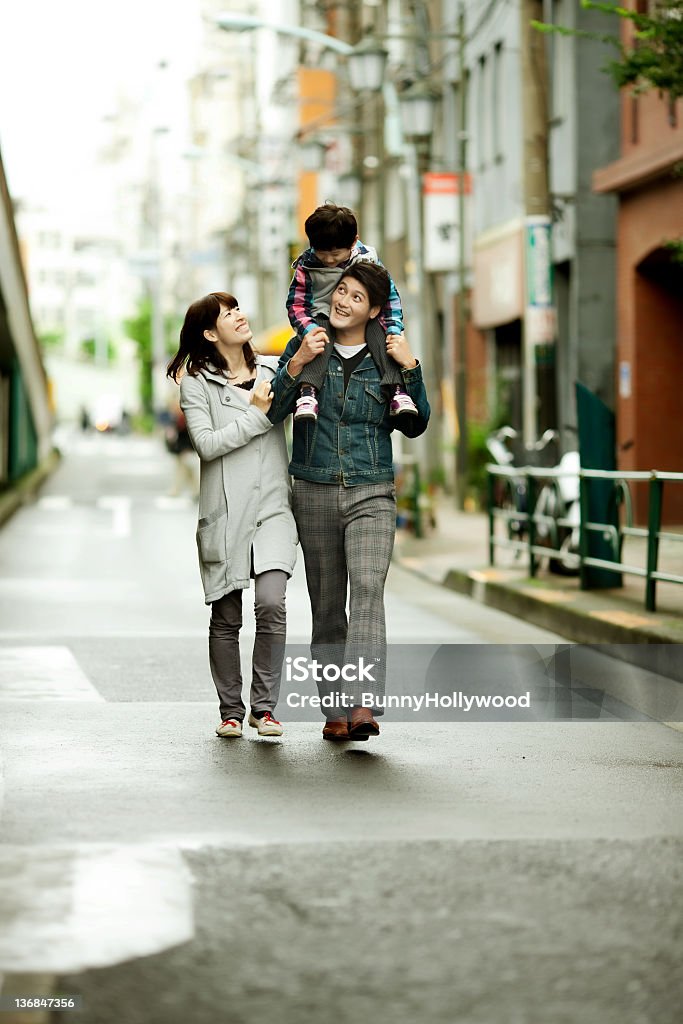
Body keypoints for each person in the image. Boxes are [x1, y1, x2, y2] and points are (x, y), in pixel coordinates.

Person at [269, 262, 430, 741]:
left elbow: (415, 423)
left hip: (371, 490)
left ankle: (362, 703)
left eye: (356, 297)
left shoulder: (386, 357)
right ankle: (334, 710)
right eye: (341, 291)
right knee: (327, 608)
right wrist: (294, 366)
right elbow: (274, 413)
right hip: (314, 488)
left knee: (366, 588)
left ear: (375, 310)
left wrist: (412, 368)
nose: (343, 301)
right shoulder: (304, 349)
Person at [167, 292, 298, 740]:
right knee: (226, 617)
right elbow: (206, 444)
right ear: (210, 332)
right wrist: (257, 414)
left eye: (239, 308)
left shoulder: (273, 370)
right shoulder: (196, 384)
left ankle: (265, 709)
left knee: (272, 603)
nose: (240, 316)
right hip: (225, 511)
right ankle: (230, 710)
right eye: (229, 313)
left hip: (274, 507)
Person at [287, 202, 418, 422]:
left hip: (365, 320)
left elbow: (389, 296)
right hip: (321, 316)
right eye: (322, 253)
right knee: (319, 337)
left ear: (354, 242)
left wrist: (394, 330)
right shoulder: (307, 265)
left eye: (335, 254)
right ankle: (308, 392)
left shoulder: (367, 260)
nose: (328, 260)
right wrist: (308, 330)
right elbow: (296, 304)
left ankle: (397, 390)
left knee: (383, 336)